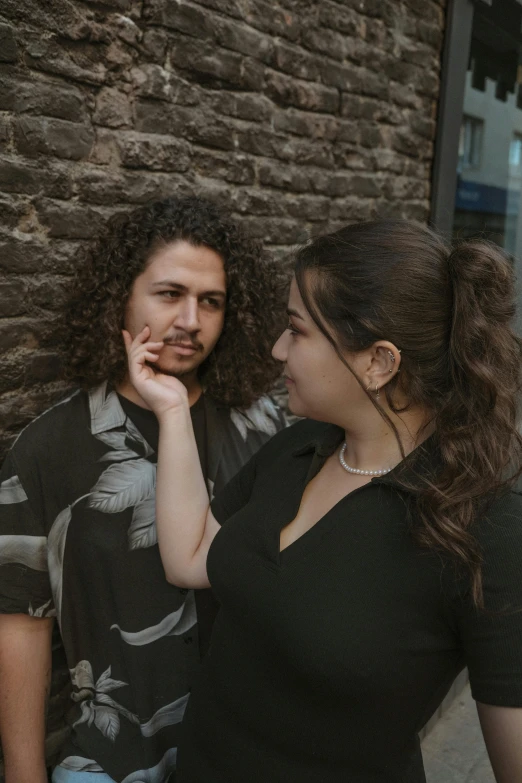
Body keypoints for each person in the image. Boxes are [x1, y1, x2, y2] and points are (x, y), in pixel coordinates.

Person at [126, 219, 522, 783]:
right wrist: (170, 412)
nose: (277, 348)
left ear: (378, 362)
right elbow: (190, 558)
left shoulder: (485, 523)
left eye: (297, 330)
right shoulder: (300, 446)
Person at [0, 196, 287, 783]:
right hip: (111, 759)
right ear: (120, 302)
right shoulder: (47, 449)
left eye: (211, 301)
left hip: (248, 748)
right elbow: (21, 625)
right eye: (169, 294)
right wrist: (23, 773)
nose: (190, 320)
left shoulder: (264, 429)